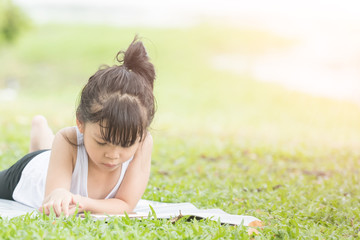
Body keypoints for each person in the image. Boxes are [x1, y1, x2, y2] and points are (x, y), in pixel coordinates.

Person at [0, 37, 155, 217]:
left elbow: (125, 205)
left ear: (142, 134)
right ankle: (40, 135)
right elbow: (54, 199)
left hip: (57, 159)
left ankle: (41, 132)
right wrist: (59, 195)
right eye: (102, 142)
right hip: (31, 172)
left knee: (51, 153)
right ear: (80, 122)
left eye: (126, 144)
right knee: (47, 155)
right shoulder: (67, 139)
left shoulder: (143, 142)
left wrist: (81, 202)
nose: (113, 154)